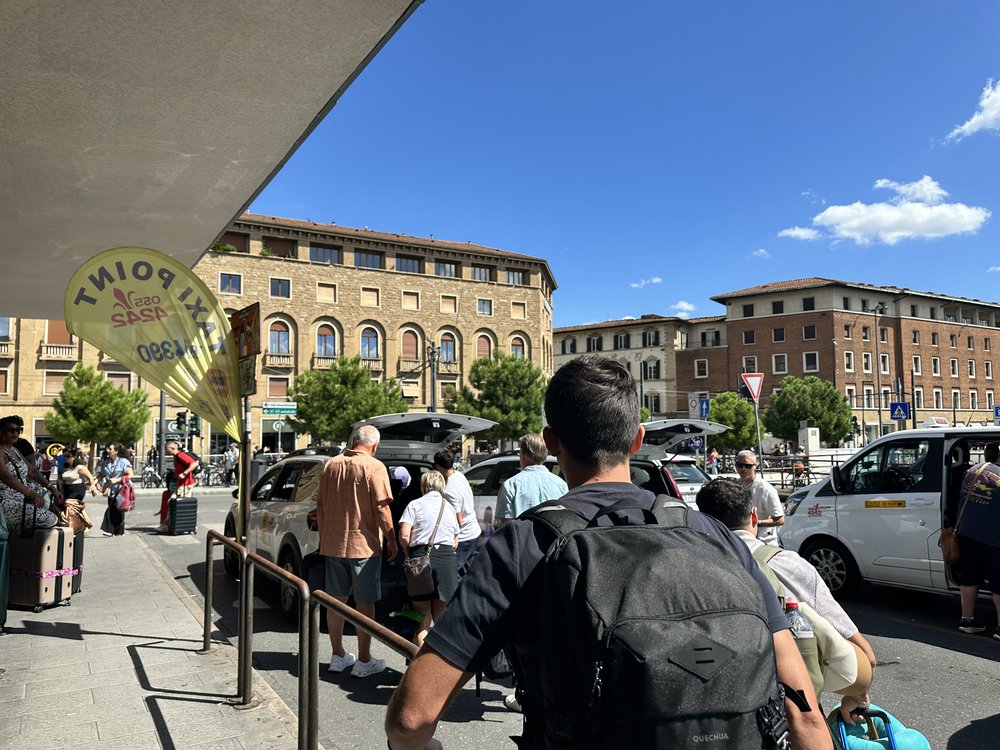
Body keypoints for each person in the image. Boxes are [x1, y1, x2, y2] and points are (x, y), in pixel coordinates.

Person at [385, 356, 831, 749]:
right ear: (637, 439)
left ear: (552, 442)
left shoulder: (523, 544)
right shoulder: (714, 534)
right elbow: (806, 714)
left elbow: (410, 720)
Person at [695, 477, 877, 723]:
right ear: (754, 516)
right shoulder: (788, 564)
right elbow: (865, 656)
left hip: (717, 714)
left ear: (701, 521)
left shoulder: (690, 569)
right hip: (793, 713)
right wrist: (857, 697)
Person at [317, 424, 397, 678]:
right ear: (375, 446)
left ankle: (337, 655)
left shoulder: (331, 465)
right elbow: (382, 509)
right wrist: (392, 539)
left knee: (336, 601)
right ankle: (363, 660)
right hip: (364, 546)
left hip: (333, 543)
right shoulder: (374, 466)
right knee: (365, 603)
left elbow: (320, 505)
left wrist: (325, 536)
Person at [398, 471, 460, 647]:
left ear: (423, 486)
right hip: (446, 560)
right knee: (440, 618)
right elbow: (455, 540)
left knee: (422, 618)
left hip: (420, 559)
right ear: (442, 487)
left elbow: (404, 535)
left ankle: (420, 660)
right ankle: (439, 659)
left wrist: (407, 552)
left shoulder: (414, 505)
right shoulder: (450, 507)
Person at [952, 441, 1000, 638]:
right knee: (998, 582)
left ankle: (967, 620)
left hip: (966, 533)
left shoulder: (971, 471)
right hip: (994, 537)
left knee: (969, 576)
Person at [0, 415, 63, 534]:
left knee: (54, 510)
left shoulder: (14, 450)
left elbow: (32, 471)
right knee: (51, 519)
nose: (16, 433)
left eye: (18, 430)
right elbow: (6, 477)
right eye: (11, 430)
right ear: (1, 432)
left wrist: (52, 488)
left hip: (21, 499)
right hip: (6, 502)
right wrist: (31, 494)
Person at [494, 433, 568, 525]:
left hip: (523, 534)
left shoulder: (511, 485)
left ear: (523, 454)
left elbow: (505, 525)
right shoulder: (562, 484)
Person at [432, 450, 480, 571]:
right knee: (469, 571)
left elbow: (459, 519)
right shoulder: (459, 475)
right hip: (474, 531)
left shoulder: (448, 490)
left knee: (454, 572)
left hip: (463, 537)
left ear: (438, 466)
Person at [735, 449, 784, 546]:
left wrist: (756, 523)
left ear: (755, 466)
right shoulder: (735, 485)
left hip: (764, 542)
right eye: (740, 465)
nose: (743, 469)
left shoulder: (765, 489)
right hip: (741, 541)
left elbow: (780, 519)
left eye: (748, 466)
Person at [96, 443, 133, 536]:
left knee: (115, 508)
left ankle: (111, 530)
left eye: (110, 449)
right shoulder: (106, 462)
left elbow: (130, 475)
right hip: (111, 489)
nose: (107, 450)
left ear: (116, 451)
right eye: (107, 448)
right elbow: (102, 474)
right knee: (114, 508)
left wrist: (117, 480)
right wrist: (96, 483)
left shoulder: (123, 462)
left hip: (121, 489)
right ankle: (118, 531)